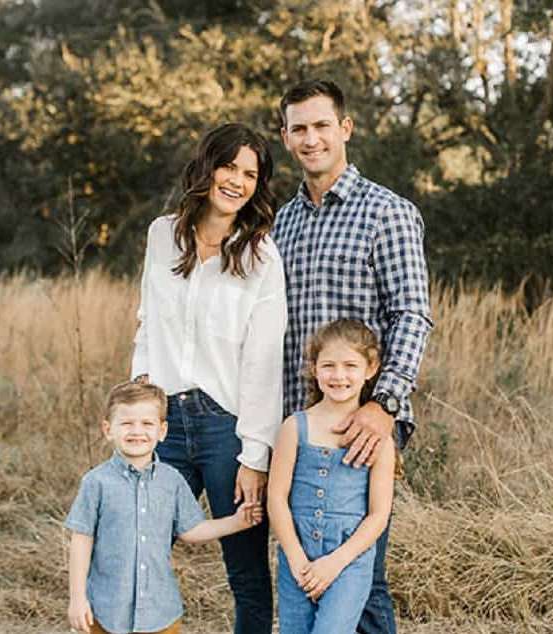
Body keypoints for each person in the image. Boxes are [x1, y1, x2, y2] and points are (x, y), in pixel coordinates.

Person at [272, 79, 433, 633]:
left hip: (365, 420)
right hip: (303, 426)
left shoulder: (387, 213)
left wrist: (383, 405)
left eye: (322, 125)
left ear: (345, 128)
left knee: (359, 578)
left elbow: (411, 314)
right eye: (299, 128)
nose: (311, 138)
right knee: (302, 575)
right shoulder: (280, 223)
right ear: (286, 137)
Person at [131, 123, 286, 633]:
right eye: (229, 166)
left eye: (250, 173)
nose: (237, 181)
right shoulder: (162, 233)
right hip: (165, 421)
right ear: (207, 167)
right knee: (138, 551)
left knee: (244, 572)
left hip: (228, 428)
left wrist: (254, 455)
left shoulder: (261, 257)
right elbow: (147, 324)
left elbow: (264, 362)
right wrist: (140, 410)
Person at [65, 381, 263, 634]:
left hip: (160, 615)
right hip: (105, 612)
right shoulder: (96, 482)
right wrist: (77, 598)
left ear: (162, 430)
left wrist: (236, 522)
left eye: (147, 424)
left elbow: (190, 530)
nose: (137, 431)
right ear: (108, 429)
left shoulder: (172, 481)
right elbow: (81, 539)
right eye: (126, 423)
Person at [268, 319, 395, 634]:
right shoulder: (295, 427)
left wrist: (335, 562)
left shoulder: (379, 438)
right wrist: (296, 558)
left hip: (348, 561)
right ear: (313, 368)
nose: (339, 376)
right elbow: (276, 498)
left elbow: (379, 515)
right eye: (329, 366)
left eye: (350, 365)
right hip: (297, 557)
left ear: (370, 368)